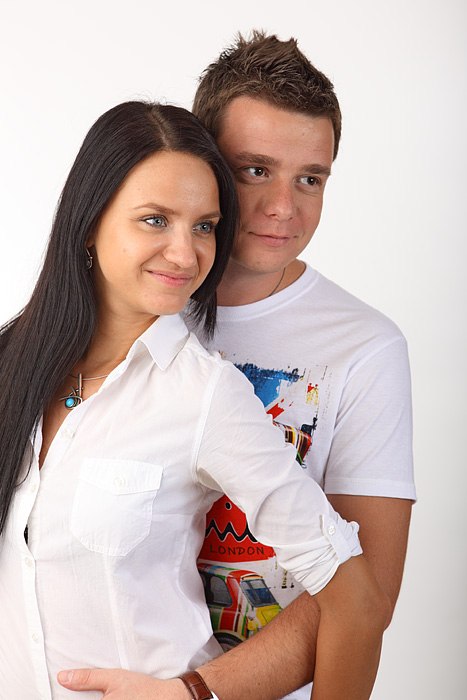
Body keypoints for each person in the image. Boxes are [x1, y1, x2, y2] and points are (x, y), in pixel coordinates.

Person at [0, 100, 386, 700]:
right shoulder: (11, 364)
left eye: (204, 226)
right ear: (89, 223)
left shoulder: (204, 392)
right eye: (155, 220)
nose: (186, 254)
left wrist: (192, 692)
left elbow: (353, 594)